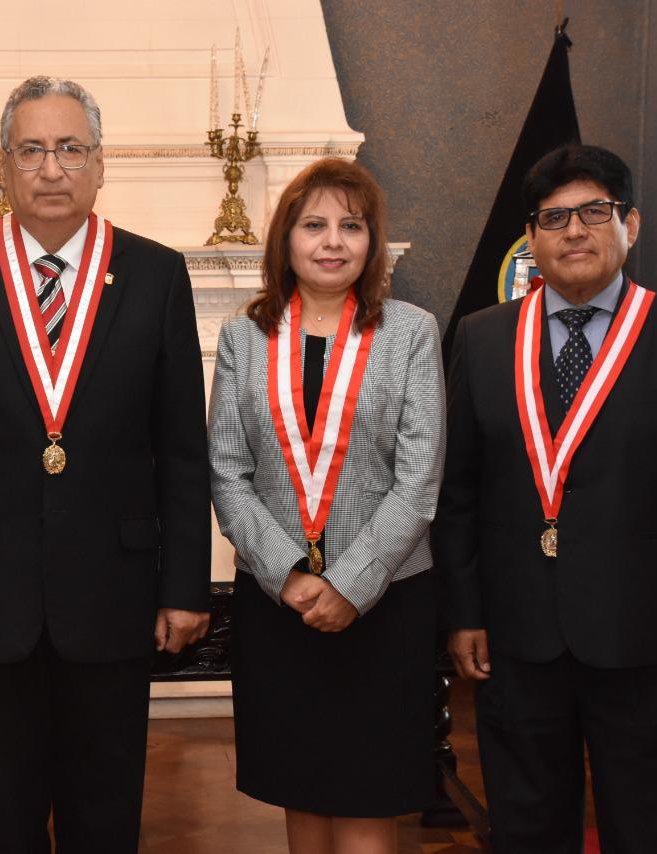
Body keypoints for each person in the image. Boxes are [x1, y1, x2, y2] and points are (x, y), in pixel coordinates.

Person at [0, 76, 211, 854]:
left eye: (71, 148)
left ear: (101, 164)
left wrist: (185, 585)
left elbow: (182, 449)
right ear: (2, 166)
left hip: (116, 594)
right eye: (31, 149)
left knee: (106, 812)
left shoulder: (158, 274)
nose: (51, 168)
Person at [434, 144, 657, 853]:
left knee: (647, 828)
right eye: (554, 218)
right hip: (516, 638)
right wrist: (464, 610)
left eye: (593, 212)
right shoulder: (483, 340)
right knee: (526, 825)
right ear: (532, 238)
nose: (573, 231)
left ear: (629, 224)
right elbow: (458, 492)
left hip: (647, 641)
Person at [208, 157, 445, 854]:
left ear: (372, 242)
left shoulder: (409, 331)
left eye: (352, 225)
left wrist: (349, 583)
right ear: (286, 239)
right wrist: (286, 574)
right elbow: (226, 471)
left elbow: (420, 479)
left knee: (369, 789)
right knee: (301, 782)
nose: (332, 241)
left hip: (385, 602)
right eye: (314, 225)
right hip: (278, 600)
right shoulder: (243, 338)